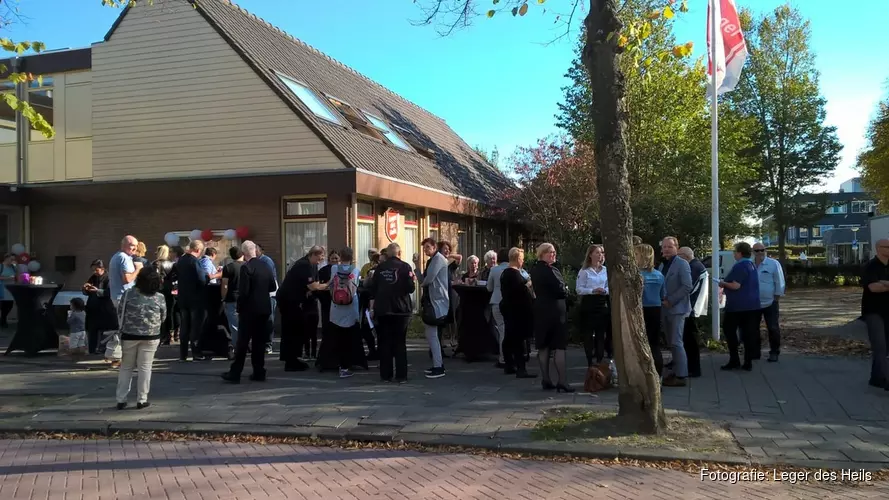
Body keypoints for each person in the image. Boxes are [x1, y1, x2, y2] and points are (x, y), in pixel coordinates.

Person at [222, 241, 278, 383]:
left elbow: (244, 292)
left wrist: (239, 308)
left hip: (249, 310)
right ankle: (259, 372)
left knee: (242, 342)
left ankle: (235, 373)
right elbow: (272, 286)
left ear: (244, 253)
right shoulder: (266, 266)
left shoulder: (246, 268)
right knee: (259, 343)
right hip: (264, 309)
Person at [115, 266, 166, 410]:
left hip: (129, 334)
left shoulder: (128, 294)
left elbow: (120, 312)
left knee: (126, 367)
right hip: (151, 335)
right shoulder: (159, 297)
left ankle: (121, 399)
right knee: (145, 367)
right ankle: (142, 399)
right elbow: (163, 317)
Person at [369, 243, 416, 383]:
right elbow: (411, 288)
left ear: (388, 254)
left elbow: (373, 289)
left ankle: (385, 375)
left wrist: (372, 309)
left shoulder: (380, 268)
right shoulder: (406, 267)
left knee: (384, 343)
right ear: (399, 253)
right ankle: (401, 376)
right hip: (401, 310)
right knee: (400, 343)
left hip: (383, 310)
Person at [530, 243, 573, 393]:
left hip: (541, 309)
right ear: (542, 254)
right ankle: (562, 380)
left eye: (554, 252)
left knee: (544, 345)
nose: (553, 255)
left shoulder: (534, 270)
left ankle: (546, 379)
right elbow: (560, 290)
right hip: (555, 310)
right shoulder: (551, 270)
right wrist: (566, 290)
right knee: (559, 346)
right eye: (550, 253)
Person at [278, 246, 327, 371]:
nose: (320, 261)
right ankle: (290, 361)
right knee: (291, 330)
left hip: (297, 301)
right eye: (320, 258)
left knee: (299, 329)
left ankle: (294, 358)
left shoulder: (312, 266)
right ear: (314, 255)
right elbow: (313, 286)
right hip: (288, 301)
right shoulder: (303, 265)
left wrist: (316, 287)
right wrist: (329, 284)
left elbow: (314, 284)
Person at [718, 242, 761, 372]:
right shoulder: (751, 265)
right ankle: (748, 362)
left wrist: (722, 283)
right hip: (752, 305)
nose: (734, 254)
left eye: (735, 251)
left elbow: (736, 285)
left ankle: (734, 360)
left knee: (729, 331)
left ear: (740, 253)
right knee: (748, 334)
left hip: (737, 307)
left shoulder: (740, 266)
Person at [658, 236, 692, 387]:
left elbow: (687, 286)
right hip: (664, 309)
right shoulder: (661, 266)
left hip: (677, 308)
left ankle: (681, 375)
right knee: (671, 343)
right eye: (664, 247)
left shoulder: (682, 264)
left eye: (669, 247)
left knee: (677, 342)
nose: (666, 249)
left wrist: (671, 300)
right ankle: (676, 370)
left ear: (676, 248)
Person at [499, 247, 537, 379]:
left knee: (509, 337)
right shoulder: (513, 274)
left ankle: (509, 364)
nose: (523, 261)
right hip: (517, 311)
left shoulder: (505, 273)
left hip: (510, 309)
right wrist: (529, 284)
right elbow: (519, 291)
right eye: (522, 259)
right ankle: (521, 368)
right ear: (517, 259)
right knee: (518, 339)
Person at [107, 236, 143, 367]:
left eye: (135, 246)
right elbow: (127, 279)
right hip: (124, 297)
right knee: (126, 328)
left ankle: (114, 355)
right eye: (132, 245)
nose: (134, 248)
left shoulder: (117, 256)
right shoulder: (123, 257)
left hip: (118, 296)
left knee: (123, 326)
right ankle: (116, 356)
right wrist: (138, 269)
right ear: (124, 245)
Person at [576, 244, 611, 366]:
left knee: (601, 334)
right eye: (597, 252)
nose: (600, 255)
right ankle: (590, 361)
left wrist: (604, 291)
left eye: (602, 253)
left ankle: (600, 361)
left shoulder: (606, 271)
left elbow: (609, 287)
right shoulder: (584, 271)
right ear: (590, 255)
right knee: (588, 333)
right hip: (589, 303)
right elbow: (579, 289)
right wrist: (592, 290)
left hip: (602, 303)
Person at [175, 240, 209, 362]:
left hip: (183, 298)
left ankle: (183, 354)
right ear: (198, 250)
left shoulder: (181, 260)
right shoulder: (194, 262)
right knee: (196, 327)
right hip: (195, 299)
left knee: (185, 326)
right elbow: (202, 279)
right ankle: (196, 353)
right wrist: (208, 277)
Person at [327, 248, 358, 379]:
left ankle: (339, 364)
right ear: (352, 257)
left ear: (340, 257)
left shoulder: (334, 269)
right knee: (348, 339)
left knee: (338, 338)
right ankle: (346, 366)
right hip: (350, 308)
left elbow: (330, 285)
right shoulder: (355, 270)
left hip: (336, 308)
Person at [862, 239, 889, 389]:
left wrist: (884, 283)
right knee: (879, 345)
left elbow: (880, 286)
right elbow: (873, 288)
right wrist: (882, 284)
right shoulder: (871, 266)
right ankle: (886, 379)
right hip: (873, 311)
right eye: (888, 247)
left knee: (886, 347)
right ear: (879, 248)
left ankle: (876, 378)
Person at [420, 237, 449, 379]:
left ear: (434, 247)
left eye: (427, 247)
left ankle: (438, 366)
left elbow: (428, 280)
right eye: (424, 248)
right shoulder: (434, 260)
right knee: (431, 335)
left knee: (432, 334)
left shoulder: (438, 259)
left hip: (437, 302)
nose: (425, 250)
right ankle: (437, 364)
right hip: (434, 301)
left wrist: (422, 283)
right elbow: (424, 280)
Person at [752, 243, 785, 363]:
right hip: (754, 303)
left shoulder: (773, 264)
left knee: (772, 327)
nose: (760, 252)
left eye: (762, 250)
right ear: (753, 252)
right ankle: (755, 352)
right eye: (757, 251)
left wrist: (776, 298)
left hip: (770, 302)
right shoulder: (750, 264)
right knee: (753, 329)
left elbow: (779, 281)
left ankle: (774, 352)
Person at [678, 247, 707, 378]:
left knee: (690, 339)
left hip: (690, 307)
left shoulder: (693, 267)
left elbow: (688, 287)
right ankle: (689, 365)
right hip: (692, 307)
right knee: (688, 338)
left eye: (679, 256)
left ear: (685, 256)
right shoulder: (696, 265)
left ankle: (694, 368)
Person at [637, 244, 665, 377]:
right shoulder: (659, 275)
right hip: (656, 309)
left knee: (641, 343)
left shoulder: (637, 275)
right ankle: (658, 374)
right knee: (654, 343)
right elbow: (663, 294)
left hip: (641, 310)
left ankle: (643, 374)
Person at [82, 259, 117, 355]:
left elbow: (110, 292)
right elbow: (87, 291)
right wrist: (86, 288)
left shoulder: (109, 278)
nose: (94, 272)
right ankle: (92, 350)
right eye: (93, 270)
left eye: (96, 270)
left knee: (105, 331)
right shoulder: (93, 277)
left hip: (105, 308)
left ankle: (103, 350)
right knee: (92, 330)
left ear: (102, 269)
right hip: (93, 308)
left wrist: (97, 290)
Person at [486, 248, 509, 369]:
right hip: (510, 303)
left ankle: (502, 358)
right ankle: (511, 356)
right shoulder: (514, 269)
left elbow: (489, 288)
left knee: (501, 329)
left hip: (496, 302)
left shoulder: (494, 270)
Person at [256, 243, 278, 354]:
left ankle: (268, 344)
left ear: (261, 250)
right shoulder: (257, 261)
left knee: (269, 319)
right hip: (262, 294)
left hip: (269, 294)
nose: (254, 251)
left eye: (256, 249)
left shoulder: (266, 261)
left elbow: (270, 278)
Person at [221, 246, 244, 347]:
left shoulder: (228, 267)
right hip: (246, 299)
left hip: (232, 298)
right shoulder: (248, 266)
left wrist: (223, 297)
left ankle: (237, 346)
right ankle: (247, 345)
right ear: (242, 254)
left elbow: (224, 285)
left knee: (234, 325)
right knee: (246, 324)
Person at [152, 245, 175, 346]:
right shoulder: (171, 264)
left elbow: (155, 278)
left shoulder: (156, 264)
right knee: (169, 313)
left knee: (159, 313)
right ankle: (170, 335)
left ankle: (161, 335)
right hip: (169, 290)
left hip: (159, 291)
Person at [0, 253, 16, 328]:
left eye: (14, 259)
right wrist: (7, 278)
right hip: (2, 288)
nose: (12, 261)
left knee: (10, 305)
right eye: (11, 259)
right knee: (3, 305)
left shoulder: (13, 267)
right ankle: (3, 321)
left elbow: (16, 276)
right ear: (6, 259)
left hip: (10, 289)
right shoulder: (1, 266)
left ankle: (3, 319)